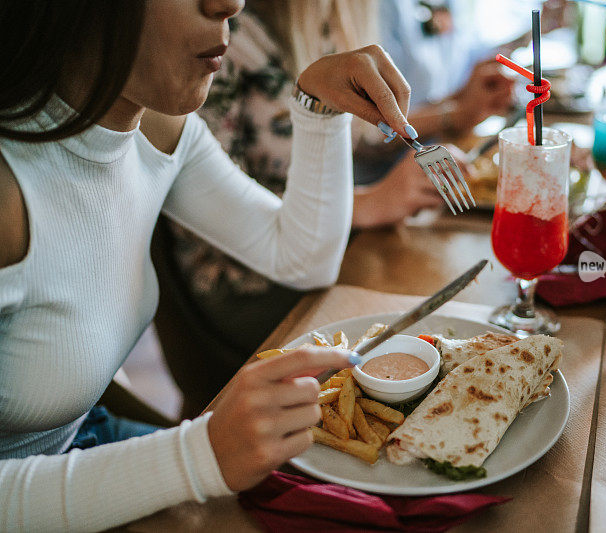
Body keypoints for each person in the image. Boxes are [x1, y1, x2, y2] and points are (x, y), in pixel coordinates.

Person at [0, 1, 415, 529]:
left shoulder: (158, 126)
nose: (231, 4)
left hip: (84, 443)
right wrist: (197, 456)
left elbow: (301, 256)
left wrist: (319, 109)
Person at [154, 0, 455, 417]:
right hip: (243, 279)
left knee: (427, 293)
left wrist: (453, 113)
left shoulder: (331, 19)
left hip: (306, 249)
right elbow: (220, 215)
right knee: (412, 313)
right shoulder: (219, 38)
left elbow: (360, 134)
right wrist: (368, 203)